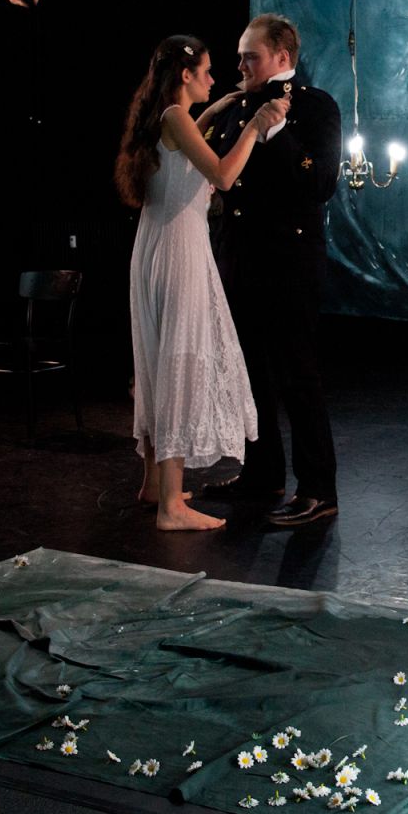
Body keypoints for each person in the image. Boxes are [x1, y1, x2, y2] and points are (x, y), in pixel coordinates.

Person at [115, 35, 289, 531]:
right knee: (177, 364)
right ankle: (171, 507)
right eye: (208, 71)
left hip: (153, 247)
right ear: (186, 75)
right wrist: (254, 126)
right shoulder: (174, 116)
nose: (215, 78)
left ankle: (155, 484)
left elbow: (189, 139)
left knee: (157, 361)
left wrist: (216, 109)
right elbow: (224, 175)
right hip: (178, 252)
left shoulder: (165, 117)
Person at [197, 13, 344, 527]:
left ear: (282, 57)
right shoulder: (236, 108)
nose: (240, 66)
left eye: (250, 57)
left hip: (289, 261)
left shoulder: (316, 106)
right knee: (249, 374)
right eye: (239, 57)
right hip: (238, 256)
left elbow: (321, 183)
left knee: (297, 375)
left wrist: (276, 130)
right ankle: (262, 473)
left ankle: (318, 489)